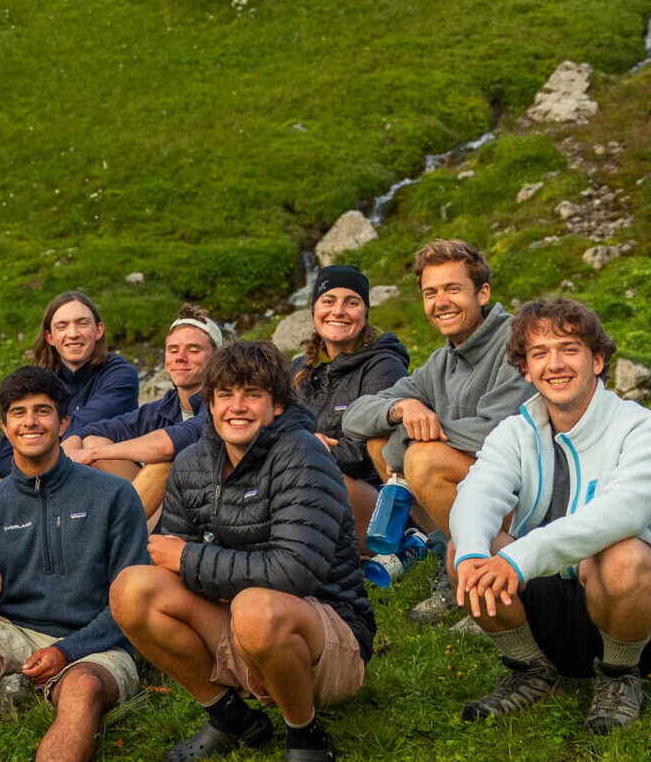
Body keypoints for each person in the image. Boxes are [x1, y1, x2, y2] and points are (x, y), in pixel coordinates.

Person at [449, 298, 651, 734]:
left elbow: (621, 512)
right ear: (525, 370)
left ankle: (619, 677)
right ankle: (531, 669)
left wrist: (518, 558)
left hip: (634, 615)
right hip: (548, 609)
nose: (555, 364)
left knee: (621, 554)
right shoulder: (515, 431)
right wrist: (473, 552)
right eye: (539, 353)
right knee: (466, 548)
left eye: (569, 349)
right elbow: (477, 494)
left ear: (598, 360)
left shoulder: (643, 430)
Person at [110, 342, 373, 762]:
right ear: (209, 405)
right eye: (225, 394)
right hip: (234, 618)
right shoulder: (191, 463)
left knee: (255, 609)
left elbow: (295, 572)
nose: (238, 406)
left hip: (325, 634)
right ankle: (231, 718)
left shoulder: (304, 454)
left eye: (252, 394)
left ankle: (305, 736)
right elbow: (168, 562)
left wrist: (189, 559)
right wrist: (184, 563)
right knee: (133, 588)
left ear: (278, 406)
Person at [0, 367, 151, 762]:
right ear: (4, 426)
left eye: (42, 411)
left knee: (83, 689)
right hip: (11, 632)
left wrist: (68, 650)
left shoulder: (114, 495)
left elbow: (132, 604)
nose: (30, 422)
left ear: (63, 421)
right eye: (19, 413)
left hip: (96, 645)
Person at [339, 239, 534, 622]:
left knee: (423, 458)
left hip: (527, 502)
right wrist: (401, 409)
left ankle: (491, 582)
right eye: (431, 292)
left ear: (483, 292)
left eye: (452, 289)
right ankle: (457, 560)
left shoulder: (516, 342)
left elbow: (494, 432)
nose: (440, 301)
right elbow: (355, 417)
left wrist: (414, 436)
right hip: (479, 493)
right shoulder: (441, 361)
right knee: (383, 435)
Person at [290, 265, 409, 561]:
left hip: (371, 498)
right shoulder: (298, 370)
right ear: (314, 310)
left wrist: (307, 447)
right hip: (304, 483)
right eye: (328, 301)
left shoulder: (383, 365)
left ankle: (394, 549)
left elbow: (361, 454)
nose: (338, 311)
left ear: (365, 313)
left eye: (351, 302)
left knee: (313, 471)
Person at [65, 315, 225, 519]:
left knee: (162, 464)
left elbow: (167, 445)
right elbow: (97, 430)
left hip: (210, 513)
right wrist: (68, 448)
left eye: (193, 350)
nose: (180, 357)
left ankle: (113, 539)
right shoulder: (166, 406)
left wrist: (94, 454)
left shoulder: (221, 404)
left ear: (217, 357)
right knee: (91, 441)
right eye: (173, 350)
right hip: (164, 513)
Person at [0, 291, 138, 475]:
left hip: (111, 478)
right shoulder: (34, 383)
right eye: (62, 326)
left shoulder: (120, 375)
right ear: (50, 338)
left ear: (99, 330)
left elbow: (85, 426)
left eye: (82, 323)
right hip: (52, 482)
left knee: (90, 442)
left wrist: (37, 445)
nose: (73, 334)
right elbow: (7, 462)